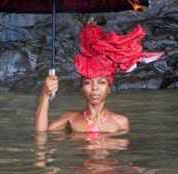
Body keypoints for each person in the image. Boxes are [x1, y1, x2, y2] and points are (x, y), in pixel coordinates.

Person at [34, 21, 162, 133]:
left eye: (101, 82)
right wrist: (45, 94)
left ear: (109, 88)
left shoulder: (121, 123)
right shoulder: (70, 119)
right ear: (81, 88)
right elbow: (41, 135)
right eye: (88, 83)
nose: (95, 88)